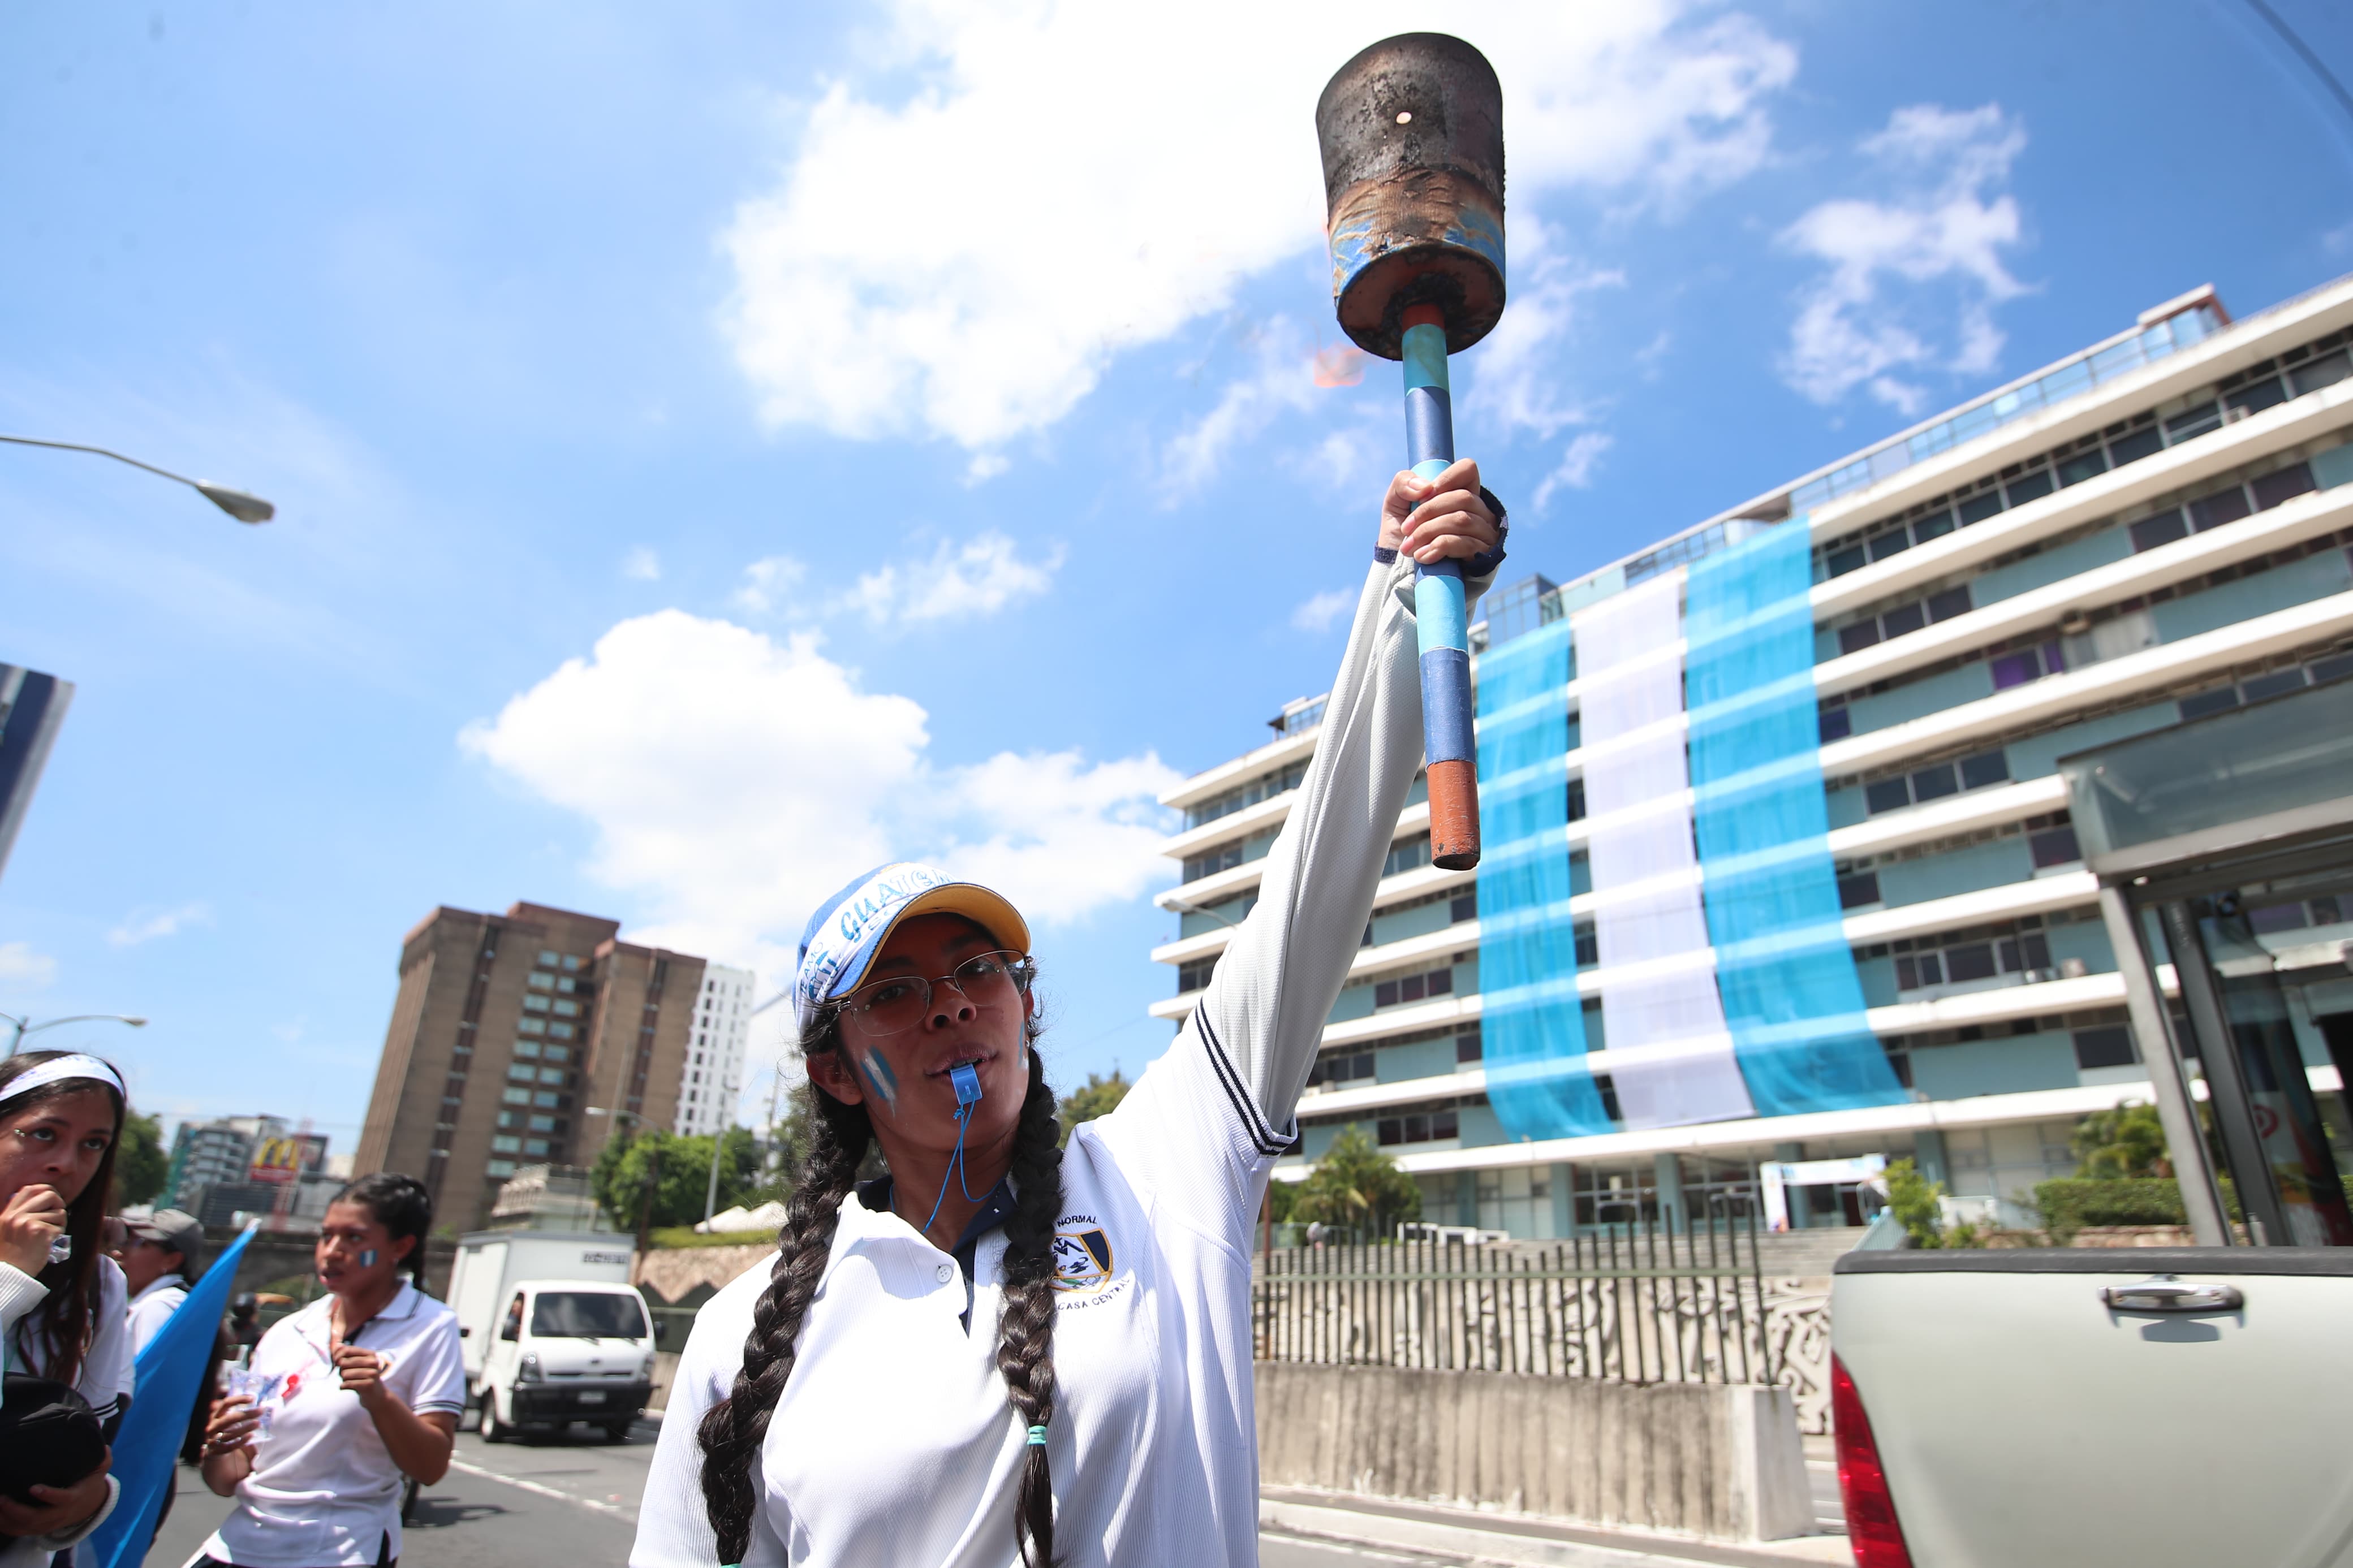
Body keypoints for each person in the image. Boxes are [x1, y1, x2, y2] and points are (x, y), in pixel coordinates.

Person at [632, 462, 1504, 1567]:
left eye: (977, 969)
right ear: (839, 1072)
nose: (951, 1005)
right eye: (895, 994)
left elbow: (1312, 881)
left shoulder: (1161, 1176)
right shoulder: (738, 1334)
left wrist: (1405, 587)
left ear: (1025, 1002)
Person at [195, 1173, 464, 1568]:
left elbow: (430, 1465)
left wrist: (380, 1399)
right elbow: (232, 1474)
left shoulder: (432, 1326)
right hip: (240, 1545)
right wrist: (220, 1446)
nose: (332, 1251)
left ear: (400, 1247)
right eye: (326, 1235)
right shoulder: (286, 1331)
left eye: (354, 1238)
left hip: (339, 1551)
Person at [0, 1051, 136, 1566]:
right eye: (42, 1134)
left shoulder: (99, 1281)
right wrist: (10, 1276)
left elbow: (87, 1445)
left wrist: (91, 1502)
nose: (66, 1162)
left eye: (93, 1144)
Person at [117, 1206, 205, 1355]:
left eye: (140, 1243)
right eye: (126, 1241)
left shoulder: (158, 1308)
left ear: (171, 1261)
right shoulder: (167, 1303)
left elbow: (142, 1377)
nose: (120, 1252)